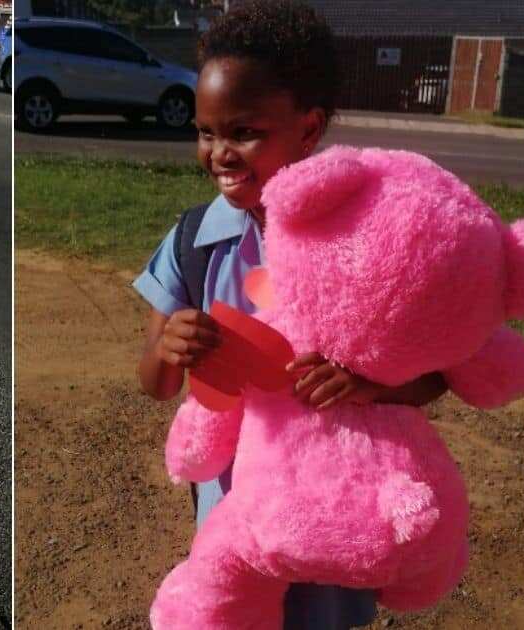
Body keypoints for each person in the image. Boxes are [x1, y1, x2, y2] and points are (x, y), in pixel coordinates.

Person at [132, 2, 448, 628]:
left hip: (333, 509)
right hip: (234, 513)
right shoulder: (196, 241)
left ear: (308, 128)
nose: (220, 152)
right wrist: (169, 348)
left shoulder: (365, 240)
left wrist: (371, 385)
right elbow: (155, 383)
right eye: (205, 132)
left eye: (245, 132)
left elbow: (440, 372)